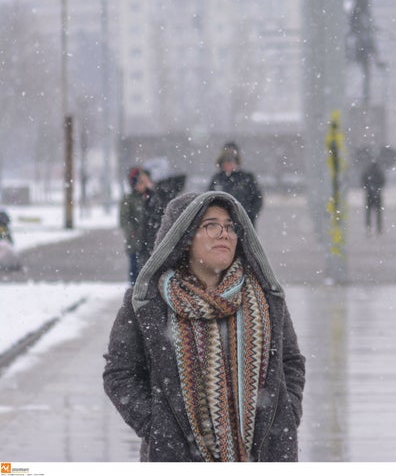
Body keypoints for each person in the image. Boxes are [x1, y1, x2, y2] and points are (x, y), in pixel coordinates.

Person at [103, 190, 306, 462]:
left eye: (231, 227)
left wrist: (287, 414)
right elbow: (120, 373)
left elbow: (290, 362)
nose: (224, 234)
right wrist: (158, 427)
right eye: (211, 225)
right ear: (184, 237)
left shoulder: (265, 297)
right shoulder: (148, 302)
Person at [208, 142, 263, 227]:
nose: (228, 165)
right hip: (221, 225)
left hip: (244, 224)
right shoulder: (217, 178)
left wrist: (250, 215)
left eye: (231, 162)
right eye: (225, 162)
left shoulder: (247, 178)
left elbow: (257, 198)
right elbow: (209, 199)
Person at [119, 167, 153, 285]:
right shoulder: (129, 199)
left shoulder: (150, 197)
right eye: (139, 182)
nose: (142, 185)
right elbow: (124, 219)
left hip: (149, 242)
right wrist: (133, 232)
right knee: (135, 269)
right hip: (135, 242)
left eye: (144, 182)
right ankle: (133, 292)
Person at [361, 159, 385, 236]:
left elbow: (363, 180)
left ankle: (369, 228)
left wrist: (368, 188)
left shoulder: (368, 171)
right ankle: (378, 228)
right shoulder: (379, 172)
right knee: (378, 212)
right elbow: (383, 181)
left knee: (369, 212)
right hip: (377, 195)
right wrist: (378, 188)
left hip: (369, 194)